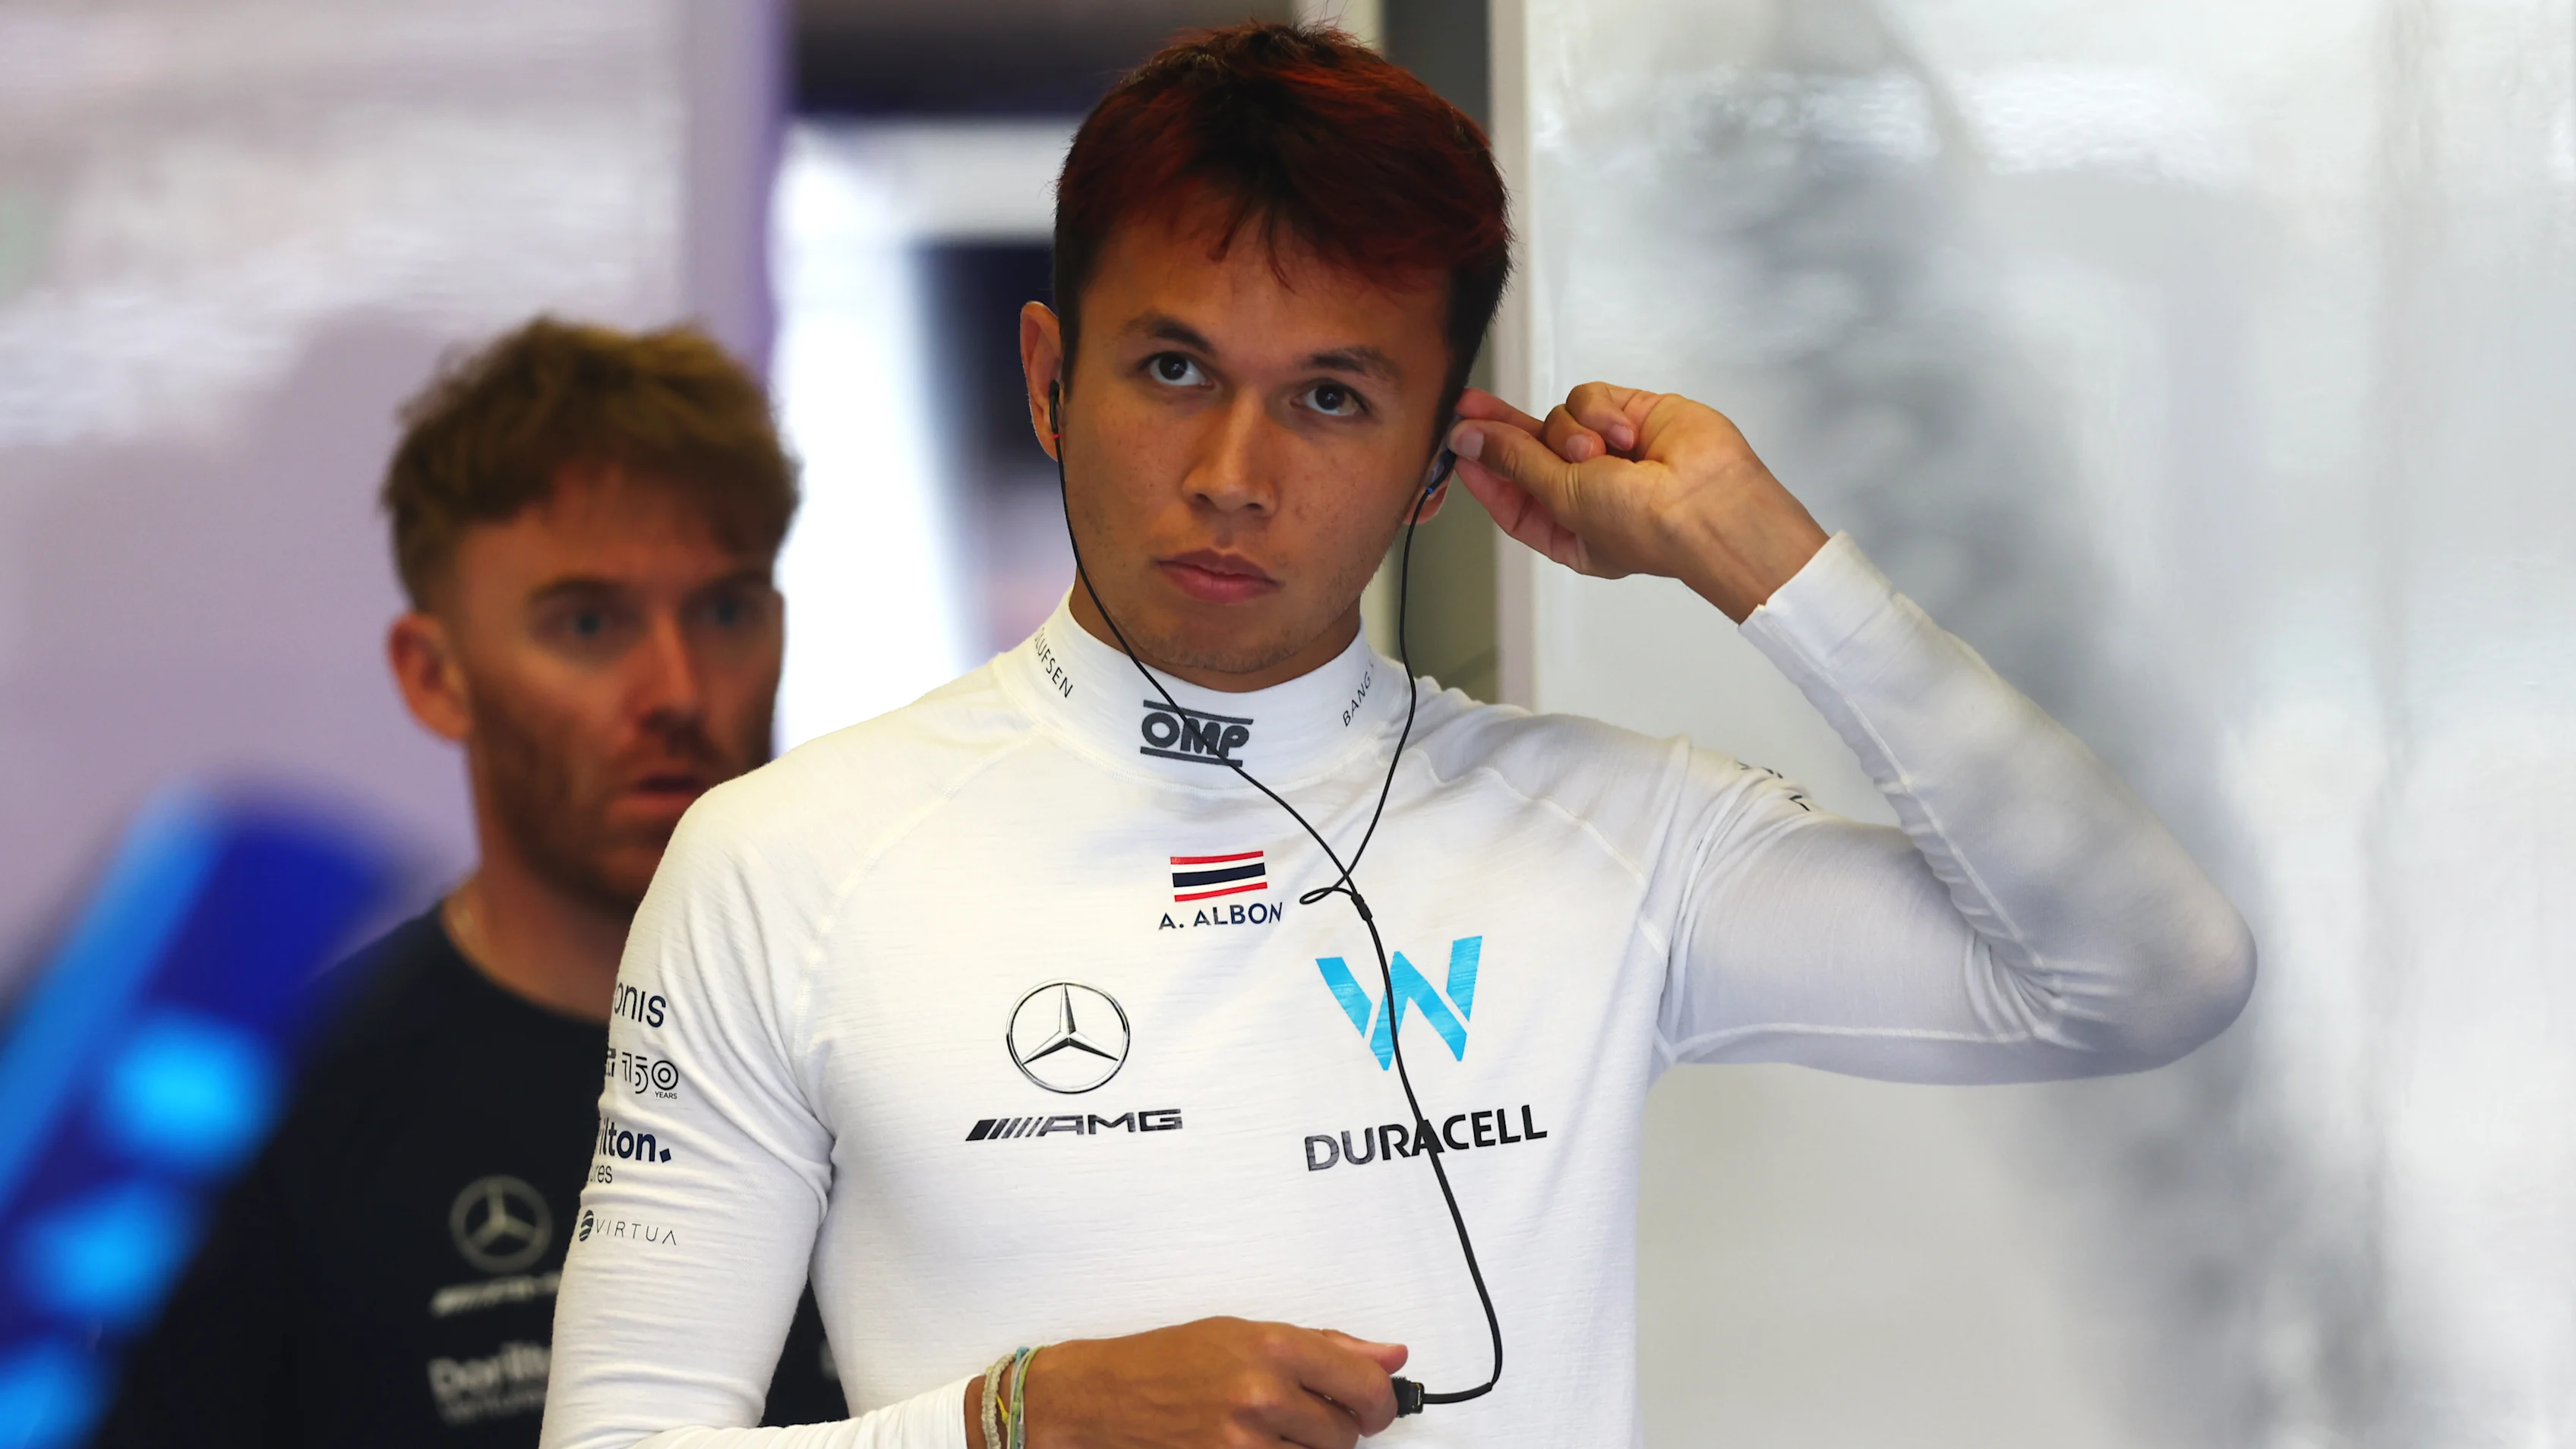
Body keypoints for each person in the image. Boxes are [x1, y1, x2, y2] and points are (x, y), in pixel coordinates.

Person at [539, 24, 2256, 1449]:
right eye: (1170, 370)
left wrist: (1758, 556)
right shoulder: (787, 860)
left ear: (1443, 455)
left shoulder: (1606, 836)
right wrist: (1013, 1421)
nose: (1233, 472)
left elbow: (2146, 972)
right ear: (1051, 378)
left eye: (1332, 398)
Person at [92, 319, 846, 1447]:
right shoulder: (285, 1116)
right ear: (435, 676)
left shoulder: (907, 1029)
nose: (677, 689)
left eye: (725, 611)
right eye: (589, 622)